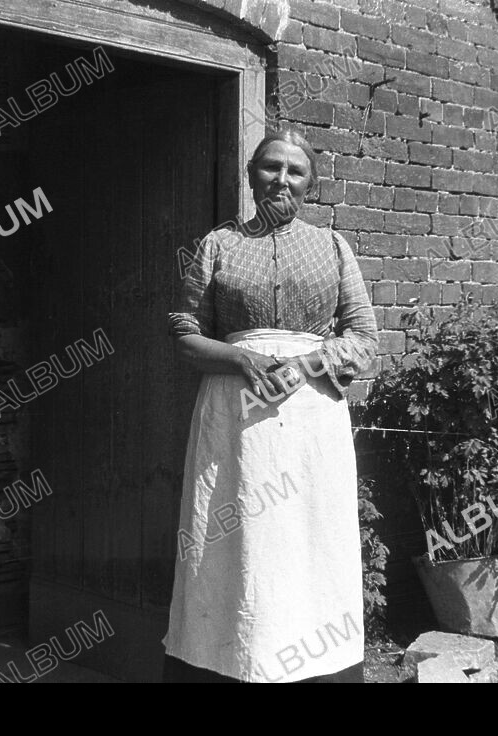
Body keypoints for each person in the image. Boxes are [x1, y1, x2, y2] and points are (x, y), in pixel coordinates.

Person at [163, 128, 378, 683]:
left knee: (307, 536)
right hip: (234, 418)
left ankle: (316, 667)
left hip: (311, 420)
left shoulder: (332, 246)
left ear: (310, 182)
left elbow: (365, 339)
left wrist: (307, 364)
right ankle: (224, 661)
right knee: (235, 538)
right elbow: (183, 332)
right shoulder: (218, 244)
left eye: (295, 170)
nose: (282, 179)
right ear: (252, 173)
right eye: (270, 167)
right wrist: (242, 362)